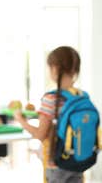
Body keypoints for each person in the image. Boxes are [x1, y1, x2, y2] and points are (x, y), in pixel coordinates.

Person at [14, 46, 85, 183]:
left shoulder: (51, 99)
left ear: (54, 68)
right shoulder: (80, 97)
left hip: (56, 165)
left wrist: (21, 120)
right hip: (78, 163)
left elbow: (41, 134)